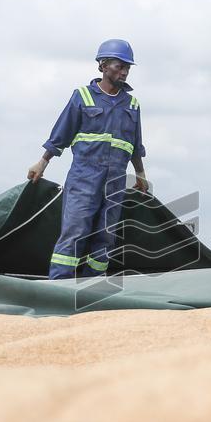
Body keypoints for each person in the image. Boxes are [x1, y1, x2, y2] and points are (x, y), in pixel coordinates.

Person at [27, 39, 150, 280]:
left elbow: (135, 146)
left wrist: (141, 174)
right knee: (75, 233)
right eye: (119, 66)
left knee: (105, 238)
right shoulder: (82, 97)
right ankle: (59, 290)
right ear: (103, 65)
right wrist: (43, 161)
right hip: (84, 179)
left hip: (115, 183)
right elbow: (60, 134)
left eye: (127, 67)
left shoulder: (132, 105)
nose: (124, 71)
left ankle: (92, 292)